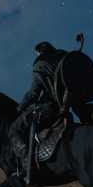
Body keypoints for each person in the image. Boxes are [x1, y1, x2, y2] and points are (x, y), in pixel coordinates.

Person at [9, 41, 68, 177]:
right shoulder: (62, 63)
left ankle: (26, 163)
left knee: (14, 130)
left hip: (47, 109)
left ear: (40, 53)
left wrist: (20, 107)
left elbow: (34, 93)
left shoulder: (41, 65)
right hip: (63, 108)